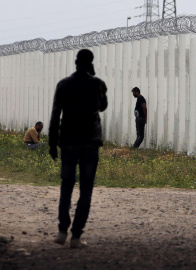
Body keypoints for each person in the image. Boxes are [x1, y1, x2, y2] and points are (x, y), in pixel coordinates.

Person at [49, 49, 108, 248]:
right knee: (86, 189)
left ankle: (62, 230)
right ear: (90, 63)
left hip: (69, 141)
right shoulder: (97, 84)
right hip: (90, 142)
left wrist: (52, 142)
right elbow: (103, 106)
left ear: (75, 62)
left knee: (66, 185)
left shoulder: (64, 84)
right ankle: (76, 236)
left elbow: (56, 113)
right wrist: (93, 74)